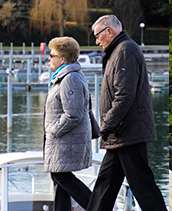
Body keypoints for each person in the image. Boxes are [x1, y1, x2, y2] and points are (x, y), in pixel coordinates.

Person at [86, 15, 167, 211]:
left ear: (109, 32)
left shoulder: (125, 51)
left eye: (97, 36)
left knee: (144, 188)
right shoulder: (119, 51)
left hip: (128, 133)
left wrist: (105, 127)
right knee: (104, 187)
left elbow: (124, 95)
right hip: (121, 133)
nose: (96, 42)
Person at [43, 36, 92, 211]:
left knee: (62, 177)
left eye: (51, 55)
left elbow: (73, 114)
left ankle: (97, 207)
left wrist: (53, 130)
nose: (49, 58)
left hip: (64, 140)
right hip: (61, 141)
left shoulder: (70, 78)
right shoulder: (63, 76)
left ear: (62, 59)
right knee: (59, 179)